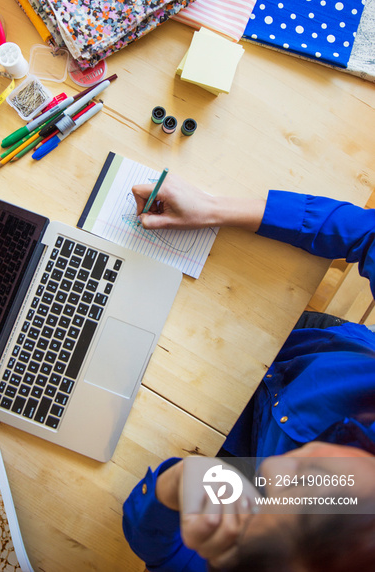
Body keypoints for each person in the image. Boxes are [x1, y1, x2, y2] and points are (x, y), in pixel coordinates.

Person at [122, 174, 375, 571]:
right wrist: (214, 208)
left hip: (233, 445)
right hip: (310, 345)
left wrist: (176, 484)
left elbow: (168, 556)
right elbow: (367, 232)